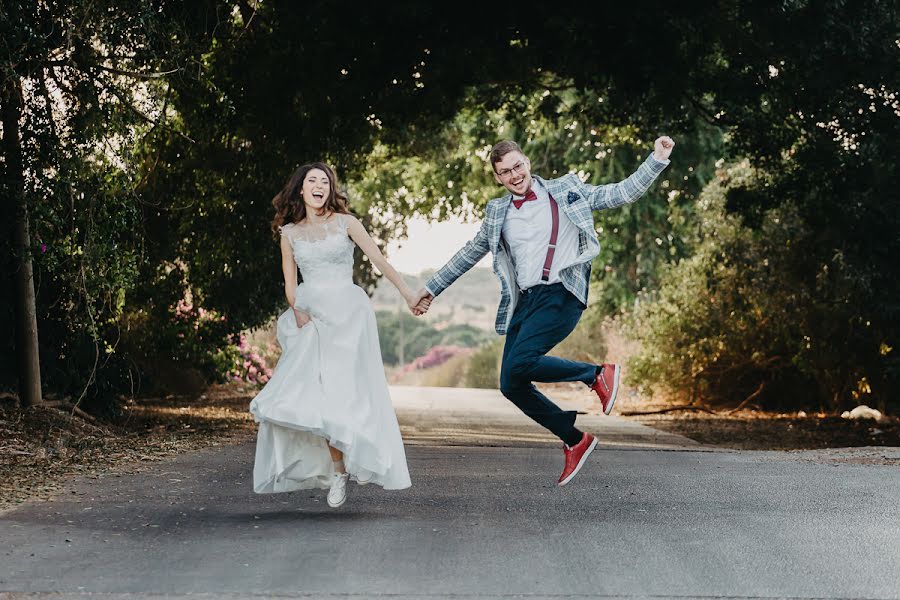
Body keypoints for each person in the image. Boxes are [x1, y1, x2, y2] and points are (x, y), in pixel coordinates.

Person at [412, 137, 675, 486]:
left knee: (521, 363)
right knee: (510, 382)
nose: (514, 175)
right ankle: (574, 438)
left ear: (527, 162)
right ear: (497, 178)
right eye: (505, 172)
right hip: (526, 303)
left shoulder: (566, 190)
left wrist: (656, 159)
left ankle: (596, 374)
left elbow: (620, 193)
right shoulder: (497, 213)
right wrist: (431, 288)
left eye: (517, 166)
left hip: (561, 293)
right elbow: (469, 253)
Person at [250, 161, 417, 507]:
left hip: (350, 316)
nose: (319, 186)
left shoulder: (347, 223)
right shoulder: (290, 234)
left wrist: (408, 294)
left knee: (350, 392)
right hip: (314, 320)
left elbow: (380, 262)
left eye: (324, 181)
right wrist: (297, 310)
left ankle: (363, 451)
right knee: (321, 396)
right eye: (312, 180)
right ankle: (339, 470)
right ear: (300, 189)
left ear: (330, 189)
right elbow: (290, 284)